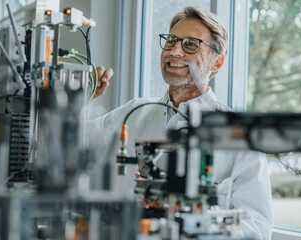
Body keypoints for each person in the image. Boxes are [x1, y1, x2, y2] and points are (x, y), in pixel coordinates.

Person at [87, 7, 273, 240]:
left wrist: (192, 216)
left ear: (217, 62)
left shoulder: (241, 136)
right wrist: (81, 98)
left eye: (191, 45)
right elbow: (64, 145)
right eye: (171, 41)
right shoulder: (133, 113)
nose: (175, 51)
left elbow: (258, 229)